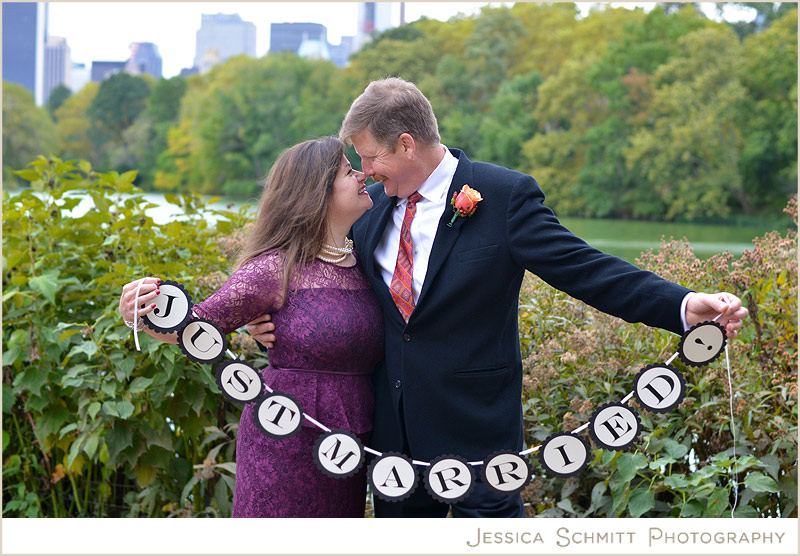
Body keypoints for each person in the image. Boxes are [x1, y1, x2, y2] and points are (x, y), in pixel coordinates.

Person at [247, 77, 749, 518]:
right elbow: (314, 271)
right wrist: (269, 316)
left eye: (370, 155)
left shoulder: (503, 196)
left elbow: (588, 270)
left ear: (406, 145)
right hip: (393, 445)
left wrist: (683, 305)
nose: (365, 169)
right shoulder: (368, 207)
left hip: (481, 439)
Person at [118, 137, 384, 517]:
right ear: (317, 193)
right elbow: (196, 327)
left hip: (348, 445)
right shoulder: (275, 268)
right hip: (284, 444)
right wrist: (138, 313)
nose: (361, 174)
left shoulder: (363, 258)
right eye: (347, 170)